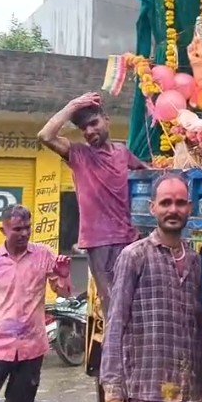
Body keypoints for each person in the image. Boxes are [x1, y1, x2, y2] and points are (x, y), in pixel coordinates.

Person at [100, 173, 202, 402]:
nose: (173, 210)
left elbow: (199, 332)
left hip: (188, 397)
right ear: (152, 208)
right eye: (166, 203)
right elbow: (115, 326)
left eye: (180, 203)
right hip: (147, 394)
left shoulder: (195, 260)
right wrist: (112, 396)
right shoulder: (134, 256)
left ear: (190, 208)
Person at [37, 92, 148, 315]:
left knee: (136, 304)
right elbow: (45, 136)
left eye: (93, 123)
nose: (89, 132)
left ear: (107, 119)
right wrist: (74, 103)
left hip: (130, 239)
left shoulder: (122, 152)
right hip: (101, 243)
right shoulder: (79, 155)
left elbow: (149, 173)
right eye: (83, 129)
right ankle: (115, 349)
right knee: (114, 306)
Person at [0, 206, 72, 402]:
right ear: (3, 230)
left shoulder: (44, 255)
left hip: (32, 349)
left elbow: (64, 293)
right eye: (17, 229)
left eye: (28, 228)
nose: (24, 233)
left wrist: (64, 275)